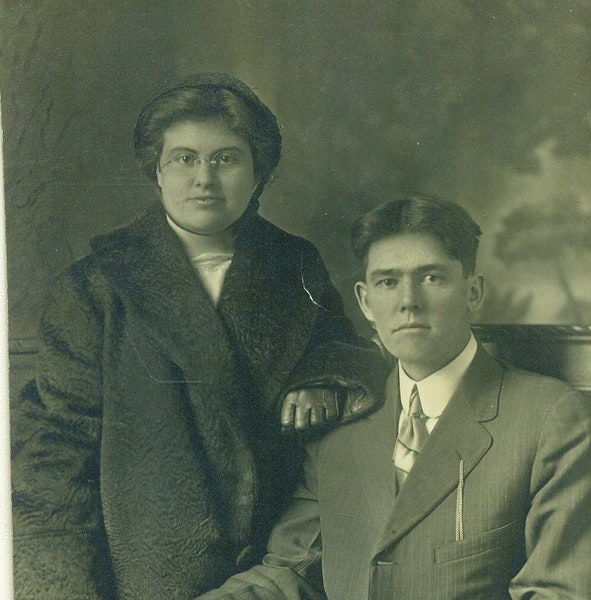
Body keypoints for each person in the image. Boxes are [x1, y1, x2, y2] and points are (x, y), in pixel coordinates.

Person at [10, 73, 389, 599]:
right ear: (157, 171)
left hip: (276, 569)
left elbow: (349, 350)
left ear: (258, 174)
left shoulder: (293, 263)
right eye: (184, 158)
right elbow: (53, 461)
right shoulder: (96, 285)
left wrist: (321, 379)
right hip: (143, 576)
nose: (203, 179)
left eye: (226, 159)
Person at [199, 196, 591, 600]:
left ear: (473, 292)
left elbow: (560, 593)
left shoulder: (551, 418)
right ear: (365, 301)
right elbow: (291, 572)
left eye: (431, 278)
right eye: (388, 282)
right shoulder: (345, 419)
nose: (408, 301)